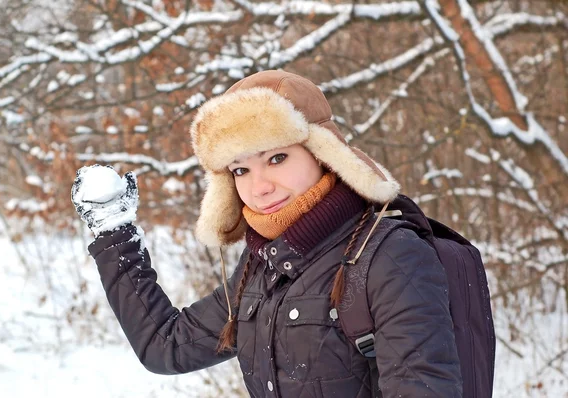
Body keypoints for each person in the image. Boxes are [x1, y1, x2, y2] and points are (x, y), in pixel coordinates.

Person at [71, 70, 462, 397]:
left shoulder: (390, 256)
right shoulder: (262, 266)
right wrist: (113, 233)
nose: (259, 187)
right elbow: (166, 345)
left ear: (323, 153)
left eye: (276, 158)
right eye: (240, 170)